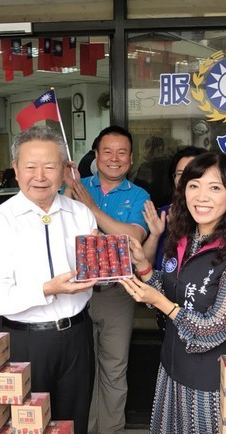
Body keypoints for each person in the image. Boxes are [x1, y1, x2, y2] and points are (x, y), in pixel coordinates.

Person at [120, 151, 226, 434]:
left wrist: (160, 302)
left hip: (209, 380)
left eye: (214, 187)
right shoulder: (182, 239)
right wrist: (144, 266)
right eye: (193, 185)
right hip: (171, 369)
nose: (201, 196)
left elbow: (216, 327)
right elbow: (166, 295)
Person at [0, 126, 97, 434]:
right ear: (15, 169)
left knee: (74, 421)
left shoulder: (81, 214)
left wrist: (106, 266)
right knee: (25, 426)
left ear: (65, 170)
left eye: (50, 166)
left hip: (78, 335)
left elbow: (93, 275)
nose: (40, 176)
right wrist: (46, 289)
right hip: (25, 341)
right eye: (30, 166)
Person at [66, 125, 150, 434]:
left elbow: (133, 238)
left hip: (117, 292)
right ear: (96, 155)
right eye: (107, 152)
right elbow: (57, 229)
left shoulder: (139, 195)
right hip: (75, 292)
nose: (114, 158)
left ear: (131, 158)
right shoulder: (75, 186)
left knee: (114, 368)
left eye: (122, 152)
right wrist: (68, 190)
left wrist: (90, 208)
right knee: (82, 369)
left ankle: (111, 429)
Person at [142, 146, 208, 271]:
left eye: (192, 173)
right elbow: (144, 266)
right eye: (180, 174)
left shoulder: (209, 214)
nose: (185, 179)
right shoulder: (164, 214)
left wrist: (178, 233)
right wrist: (155, 236)